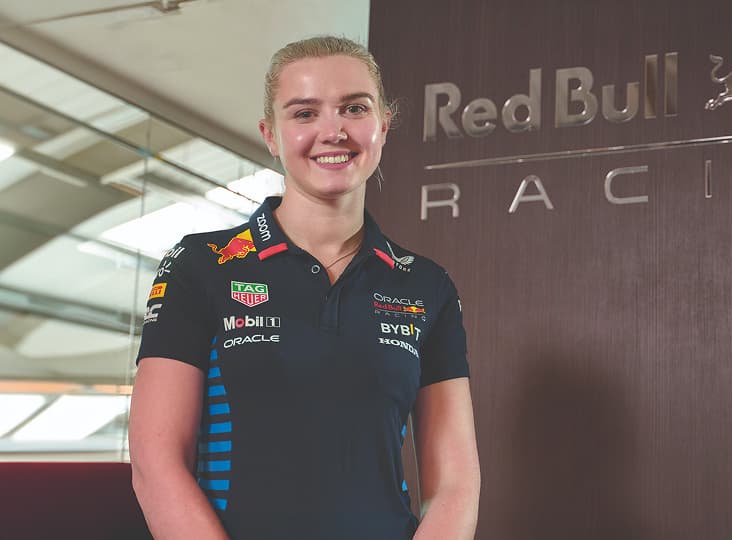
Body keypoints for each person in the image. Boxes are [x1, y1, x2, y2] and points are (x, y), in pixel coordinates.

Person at [129, 36, 481, 540]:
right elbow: (155, 464)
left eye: (353, 108)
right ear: (270, 134)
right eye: (304, 113)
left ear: (382, 124)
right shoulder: (199, 266)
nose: (332, 131)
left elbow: (455, 483)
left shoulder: (427, 285)